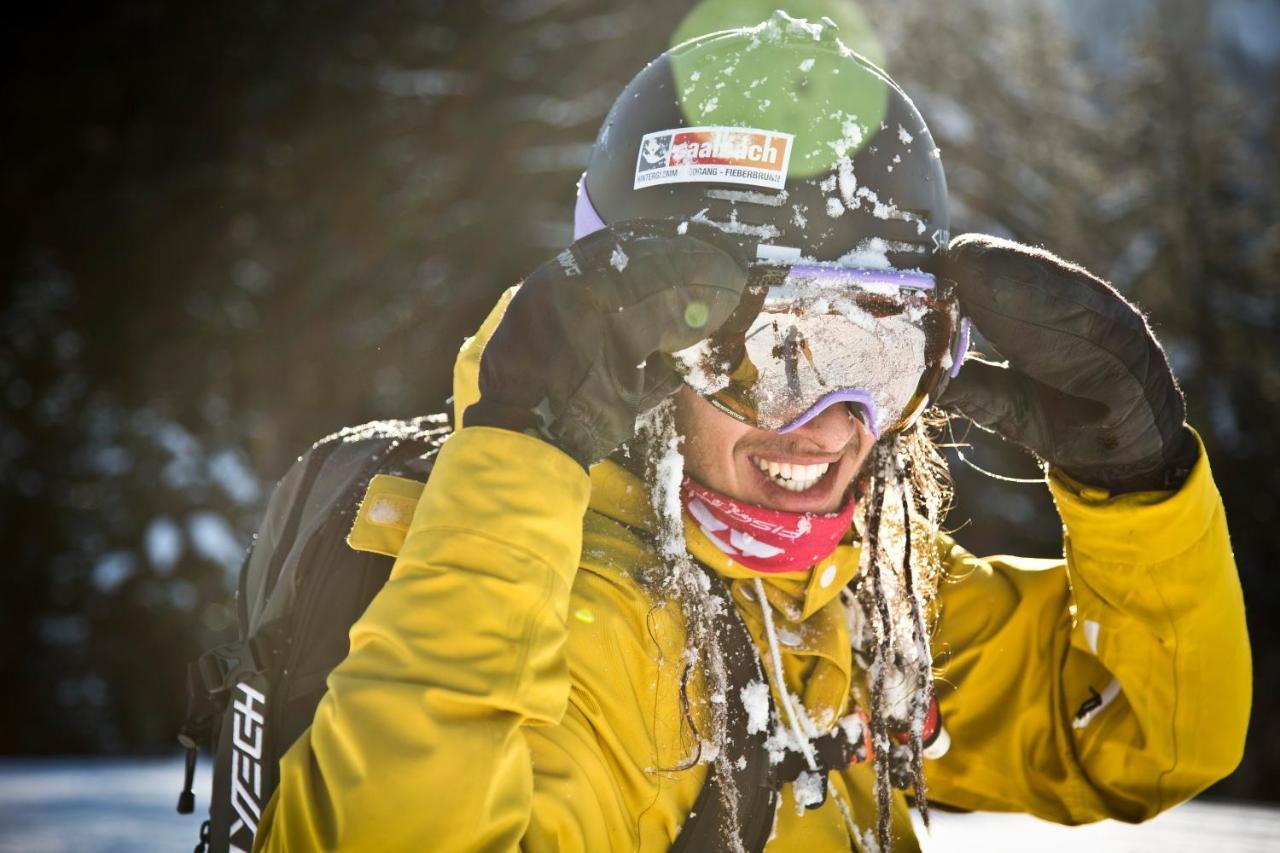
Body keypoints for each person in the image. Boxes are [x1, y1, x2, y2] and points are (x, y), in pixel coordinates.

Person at [253, 14, 1250, 852]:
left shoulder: (862, 595)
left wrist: (1139, 491)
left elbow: (1137, 740)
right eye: (764, 353)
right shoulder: (565, 621)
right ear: (634, 347)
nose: (827, 428)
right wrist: (519, 452)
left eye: (876, 351)